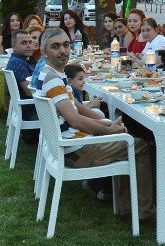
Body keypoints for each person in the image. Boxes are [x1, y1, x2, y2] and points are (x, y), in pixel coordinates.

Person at [35, 28, 154, 222]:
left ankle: (128, 206)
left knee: (126, 136)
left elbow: (76, 107)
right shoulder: (52, 79)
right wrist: (108, 130)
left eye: (66, 44)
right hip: (76, 150)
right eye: (55, 47)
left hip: (69, 146)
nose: (63, 50)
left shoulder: (51, 73)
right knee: (138, 145)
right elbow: (75, 120)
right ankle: (143, 211)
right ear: (43, 51)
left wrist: (104, 122)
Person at [5, 30, 38, 141]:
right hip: (32, 112)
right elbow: (29, 91)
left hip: (31, 109)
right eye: (24, 43)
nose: (29, 45)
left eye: (30, 42)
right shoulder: (17, 62)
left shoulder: (24, 60)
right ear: (14, 47)